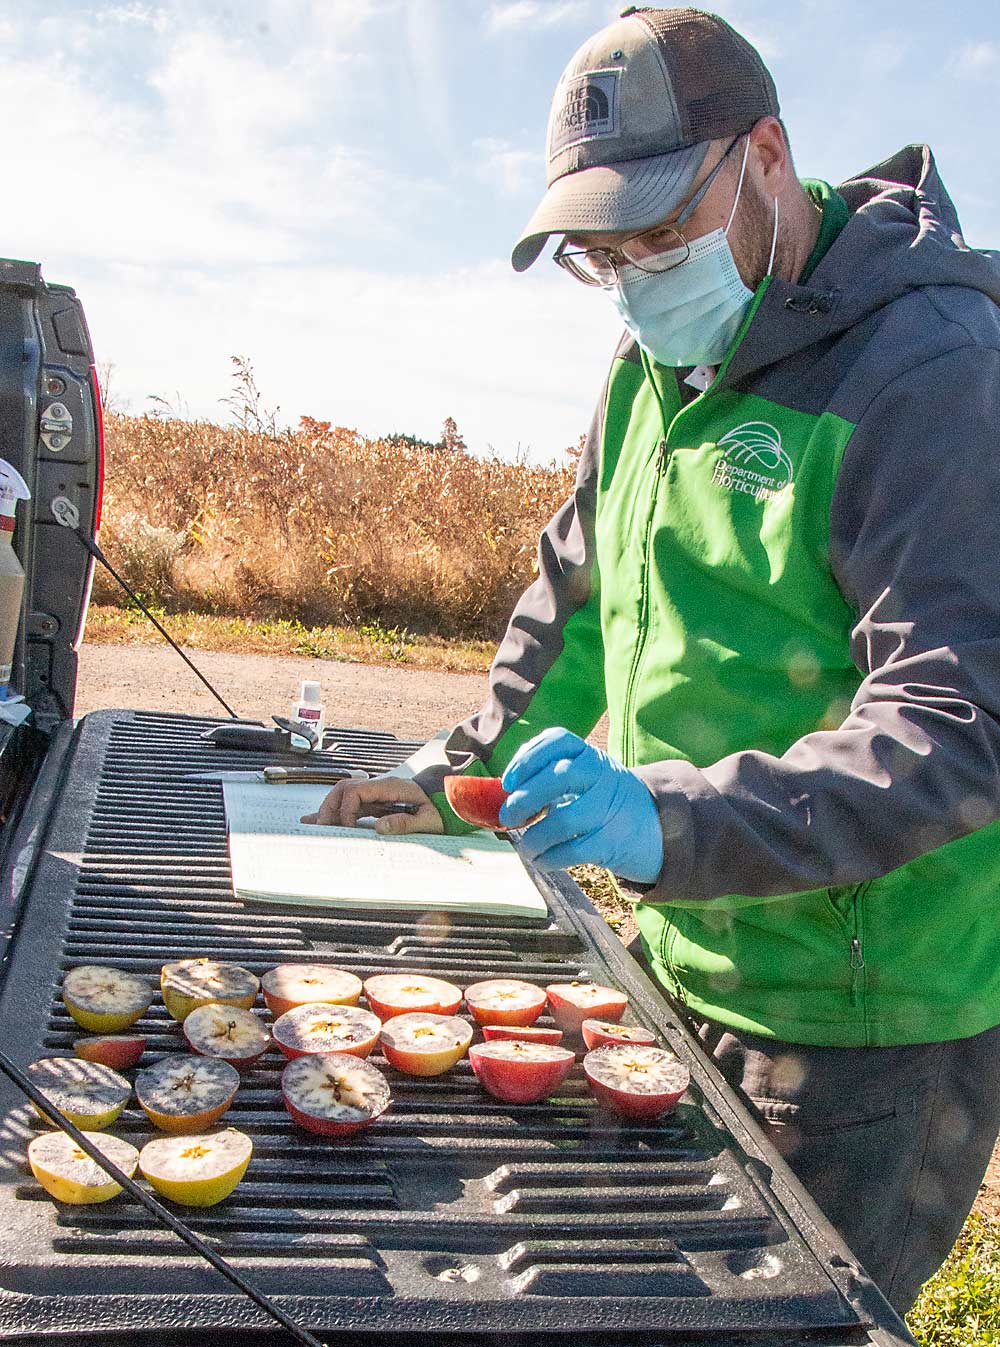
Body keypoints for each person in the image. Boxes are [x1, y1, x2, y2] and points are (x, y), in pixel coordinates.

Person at [305, 4, 1000, 1316]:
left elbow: (959, 722)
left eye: (663, 235)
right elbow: (574, 603)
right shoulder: (649, 360)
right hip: (678, 947)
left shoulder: (930, 376)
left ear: (771, 159)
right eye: (601, 255)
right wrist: (465, 767)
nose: (634, 278)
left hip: (861, 1022)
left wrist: (664, 821)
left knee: (784, 1322)